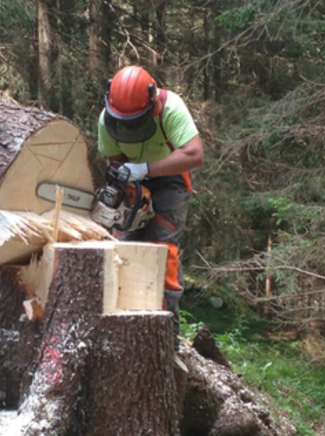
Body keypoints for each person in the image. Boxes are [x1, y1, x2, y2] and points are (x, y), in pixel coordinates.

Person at [97, 65, 204, 346]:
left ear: (152, 101)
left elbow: (194, 154)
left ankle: (167, 331)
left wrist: (145, 168)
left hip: (171, 179)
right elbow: (115, 161)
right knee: (121, 241)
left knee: (160, 245)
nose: (129, 127)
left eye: (135, 122)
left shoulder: (171, 108)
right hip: (134, 177)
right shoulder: (107, 121)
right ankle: (119, 326)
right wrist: (130, 185)